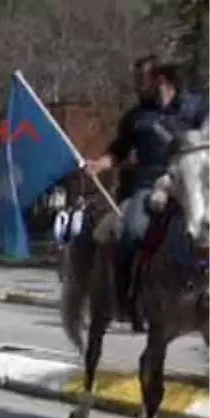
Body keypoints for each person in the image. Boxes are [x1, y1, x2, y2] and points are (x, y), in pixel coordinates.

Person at [84, 55, 210, 325]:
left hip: (189, 186)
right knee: (131, 231)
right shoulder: (135, 117)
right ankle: (125, 298)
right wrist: (98, 165)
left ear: (160, 80)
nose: (136, 85)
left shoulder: (195, 108)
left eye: (140, 79)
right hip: (148, 185)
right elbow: (117, 153)